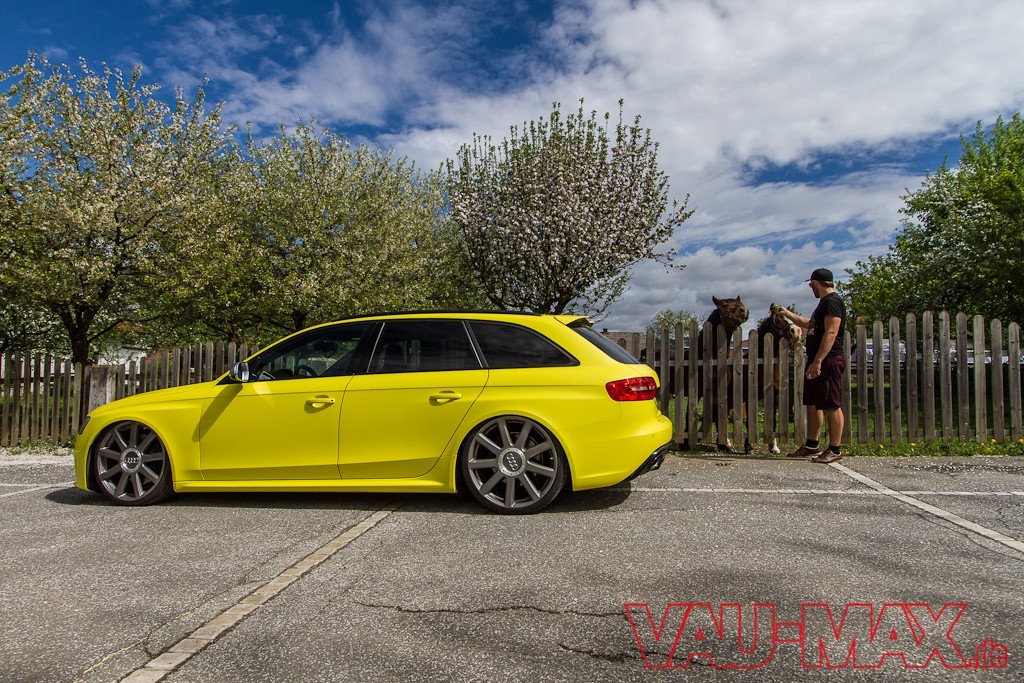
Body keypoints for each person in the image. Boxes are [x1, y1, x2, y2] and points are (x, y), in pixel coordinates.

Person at [776, 268, 847, 463]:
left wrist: (818, 361)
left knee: (831, 403)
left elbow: (831, 333)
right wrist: (788, 314)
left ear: (816, 283)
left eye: (811, 284)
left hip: (828, 360)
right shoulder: (824, 303)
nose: (810, 287)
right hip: (817, 360)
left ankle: (835, 449)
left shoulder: (833, 302)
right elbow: (810, 324)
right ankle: (812, 444)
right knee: (814, 402)